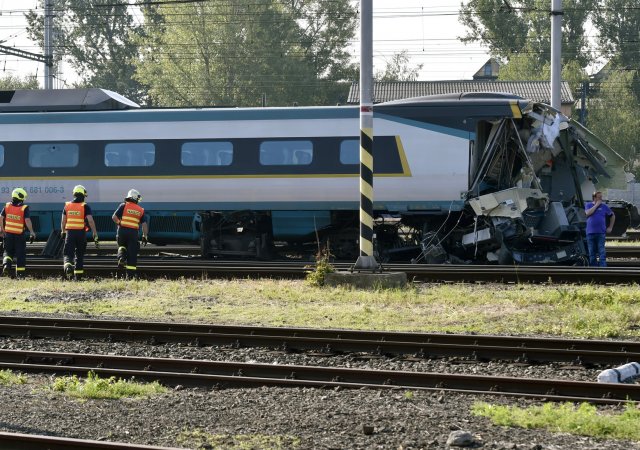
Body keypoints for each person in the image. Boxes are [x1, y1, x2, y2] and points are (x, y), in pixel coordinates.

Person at [61, 185, 99, 280]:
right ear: (83, 195)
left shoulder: (67, 205)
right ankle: (78, 276)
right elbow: (90, 220)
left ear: (74, 194)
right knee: (79, 255)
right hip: (81, 233)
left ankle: (68, 267)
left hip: (70, 233)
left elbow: (63, 221)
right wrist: (94, 232)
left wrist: (63, 231)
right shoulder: (85, 206)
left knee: (68, 253)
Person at [112, 189, 149, 279]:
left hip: (122, 231)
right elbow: (144, 225)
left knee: (122, 247)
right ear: (136, 198)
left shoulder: (123, 205)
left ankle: (121, 258)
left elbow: (114, 217)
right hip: (133, 233)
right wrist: (145, 236)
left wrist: (120, 223)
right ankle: (130, 276)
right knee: (132, 253)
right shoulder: (140, 210)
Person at [0, 188, 36, 278]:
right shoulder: (24, 208)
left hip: (8, 234)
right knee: (20, 255)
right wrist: (32, 232)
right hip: (19, 235)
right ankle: (20, 275)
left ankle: (6, 265)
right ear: (21, 196)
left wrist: (2, 229)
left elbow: (1, 217)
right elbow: (27, 220)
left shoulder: (7, 206)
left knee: (8, 252)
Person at [584, 191, 615, 267]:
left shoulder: (604, 206)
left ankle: (603, 268)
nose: (601, 199)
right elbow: (587, 213)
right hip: (590, 233)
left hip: (601, 232)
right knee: (592, 252)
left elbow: (612, 215)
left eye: (601, 197)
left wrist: (610, 227)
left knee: (602, 251)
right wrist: (596, 205)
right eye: (599, 197)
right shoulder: (588, 205)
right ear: (594, 198)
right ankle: (593, 269)